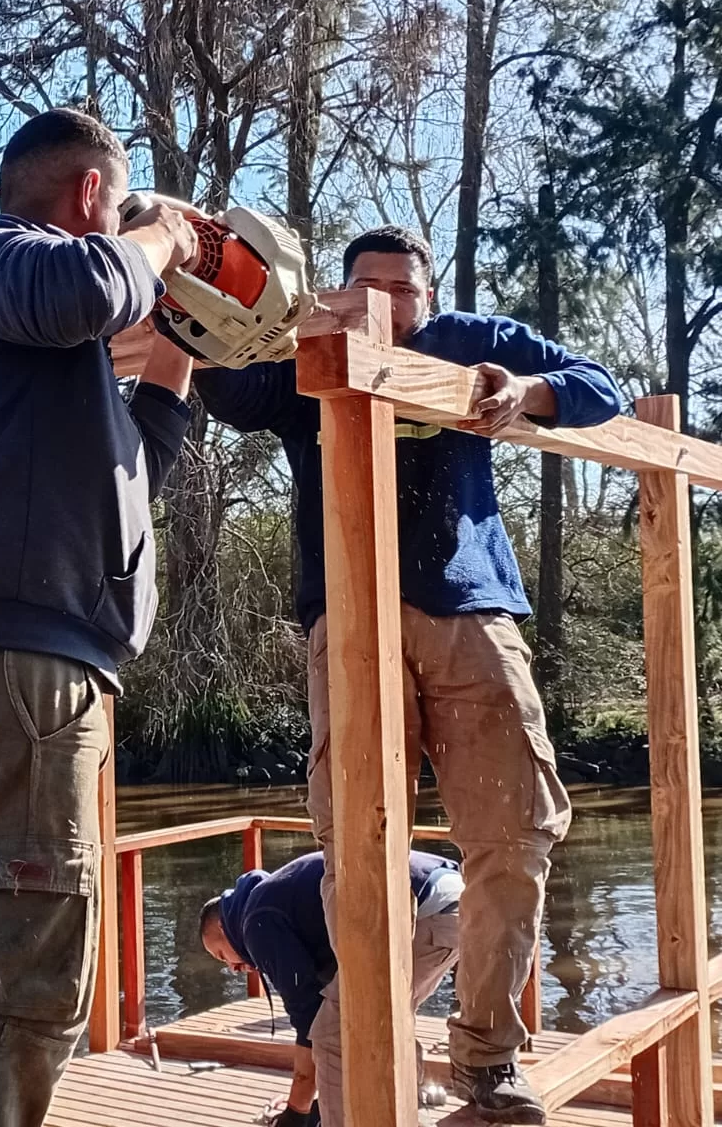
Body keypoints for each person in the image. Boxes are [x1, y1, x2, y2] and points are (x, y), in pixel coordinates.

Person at [195, 226, 623, 1124]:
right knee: (355, 847)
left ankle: (488, 1061)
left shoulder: (471, 339)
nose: (388, 302)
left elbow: (600, 388)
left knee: (515, 837)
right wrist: (304, 319)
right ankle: (370, 1060)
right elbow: (225, 385)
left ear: (429, 296)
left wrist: (527, 393)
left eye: (404, 289)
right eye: (370, 287)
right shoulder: (311, 347)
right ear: (346, 290)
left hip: (471, 614)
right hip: (347, 621)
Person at [0, 107, 200, 1126]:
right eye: (116, 217)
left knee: (5, 972)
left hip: (19, 667)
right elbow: (87, 288)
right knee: (18, 994)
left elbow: (135, 462)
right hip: (13, 667)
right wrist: (166, 239)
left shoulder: (46, 366)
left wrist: (181, 346)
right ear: (90, 198)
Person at [201, 850, 465, 1127]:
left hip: (426, 911)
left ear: (222, 924)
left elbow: (310, 1022)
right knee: (384, 1020)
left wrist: (296, 1112)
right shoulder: (274, 899)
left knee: (331, 1034)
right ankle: (407, 1116)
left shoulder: (256, 922)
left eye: (221, 955)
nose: (233, 968)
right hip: (452, 899)